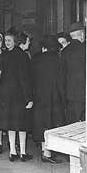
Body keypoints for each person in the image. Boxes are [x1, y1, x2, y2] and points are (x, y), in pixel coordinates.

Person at [0, 29, 33, 162]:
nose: (6, 43)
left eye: (8, 40)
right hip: (20, 95)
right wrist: (29, 98)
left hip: (7, 95)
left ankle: (13, 152)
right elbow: (25, 79)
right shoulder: (23, 56)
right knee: (22, 124)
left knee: (11, 124)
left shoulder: (5, 55)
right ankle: (23, 152)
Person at [31, 35, 65, 164]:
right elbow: (61, 80)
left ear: (44, 47)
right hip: (54, 96)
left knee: (41, 122)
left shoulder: (35, 59)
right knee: (52, 122)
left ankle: (44, 149)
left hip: (38, 96)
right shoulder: (57, 59)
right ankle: (48, 153)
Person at [61, 22, 86, 123]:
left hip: (70, 94)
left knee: (72, 123)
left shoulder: (64, 51)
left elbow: (62, 75)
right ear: (82, 34)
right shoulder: (85, 49)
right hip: (85, 92)